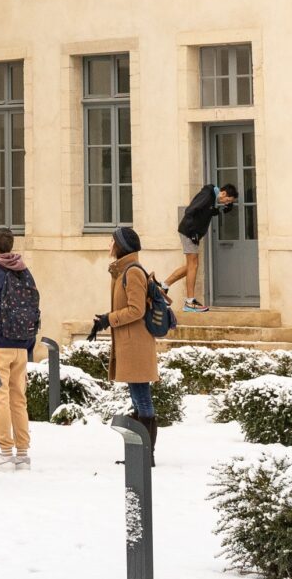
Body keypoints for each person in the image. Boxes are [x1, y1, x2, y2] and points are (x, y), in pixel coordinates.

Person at [0, 227, 40, 469]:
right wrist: (28, 342)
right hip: (21, 345)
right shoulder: (25, 272)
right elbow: (35, 308)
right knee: (18, 399)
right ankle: (22, 454)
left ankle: (4, 453)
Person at [90, 227, 161, 445]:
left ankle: (145, 454)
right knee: (137, 399)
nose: (109, 245)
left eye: (112, 241)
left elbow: (136, 310)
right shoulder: (123, 271)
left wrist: (108, 319)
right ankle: (139, 452)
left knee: (142, 399)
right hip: (129, 343)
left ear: (121, 245)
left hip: (136, 345)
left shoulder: (132, 272)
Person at [167, 181, 240, 311]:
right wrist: (193, 232)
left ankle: (164, 285)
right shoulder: (207, 195)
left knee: (191, 266)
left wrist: (219, 210)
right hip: (189, 232)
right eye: (227, 200)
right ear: (223, 193)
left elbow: (205, 211)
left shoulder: (211, 196)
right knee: (193, 265)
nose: (226, 202)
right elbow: (191, 210)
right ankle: (189, 302)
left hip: (189, 232)